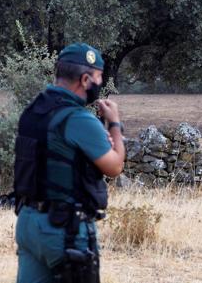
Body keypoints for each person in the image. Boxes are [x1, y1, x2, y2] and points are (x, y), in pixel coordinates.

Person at [14, 43, 126, 283]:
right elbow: (115, 166)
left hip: (28, 222)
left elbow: (56, 153)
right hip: (64, 229)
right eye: (98, 77)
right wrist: (115, 124)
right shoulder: (78, 118)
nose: (100, 82)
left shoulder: (34, 111)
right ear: (85, 80)